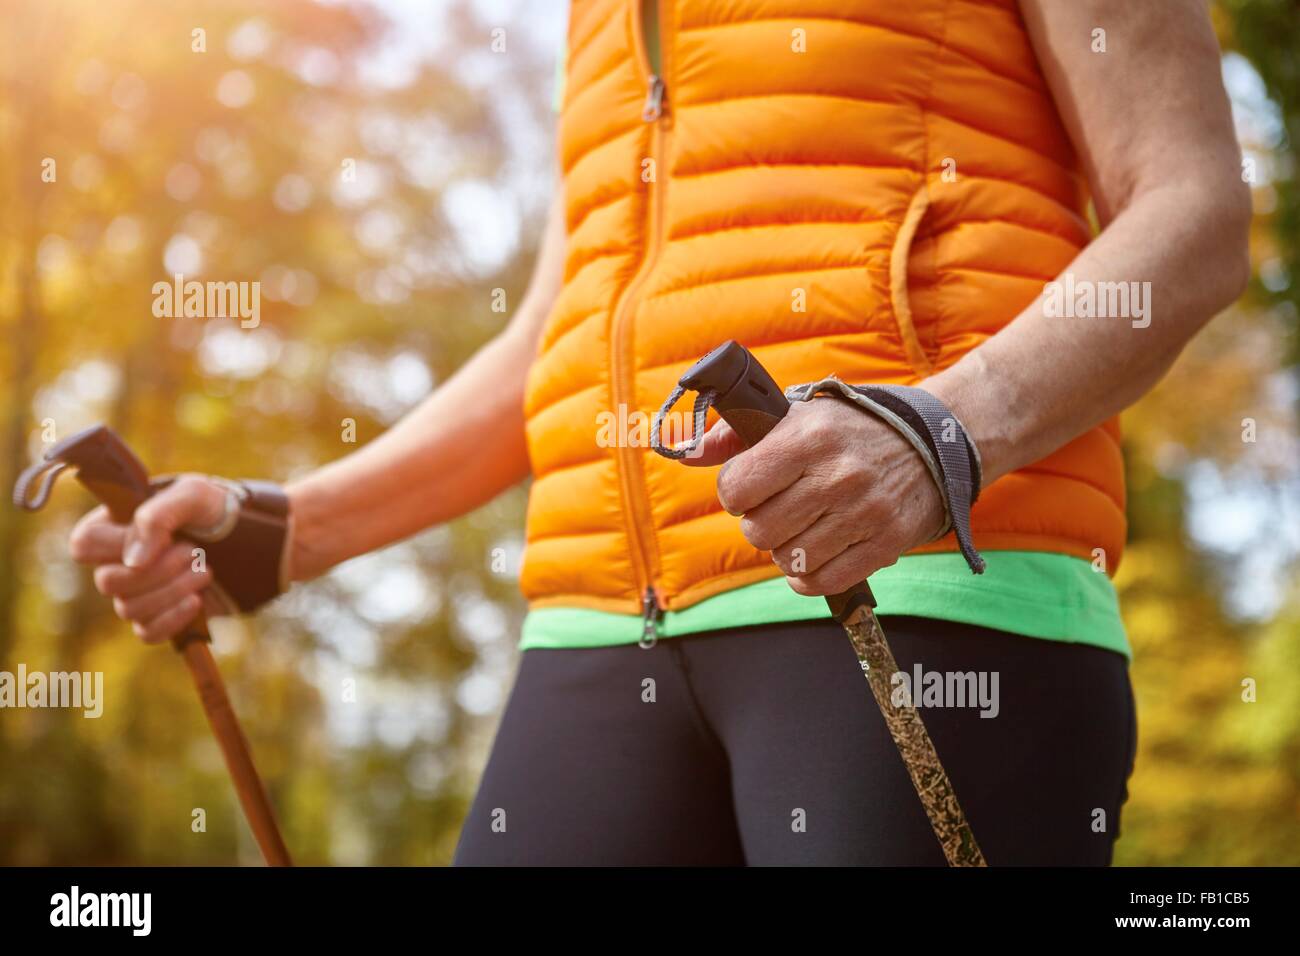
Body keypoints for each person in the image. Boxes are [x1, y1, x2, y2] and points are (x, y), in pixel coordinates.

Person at [68, 0, 1249, 865]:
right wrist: (282, 530)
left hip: (923, 589)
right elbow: (560, 328)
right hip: (594, 631)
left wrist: (937, 429)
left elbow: (1192, 212)